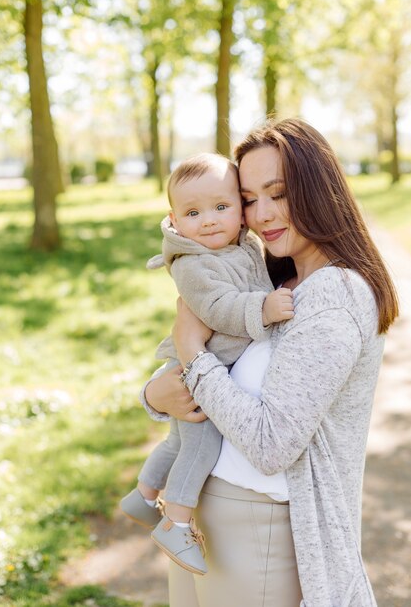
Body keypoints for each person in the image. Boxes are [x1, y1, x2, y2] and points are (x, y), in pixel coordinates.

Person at [139, 118, 399, 607]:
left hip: (258, 530)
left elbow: (272, 443)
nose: (262, 214)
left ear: (319, 192)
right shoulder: (271, 283)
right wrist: (154, 395)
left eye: (277, 194)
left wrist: (193, 354)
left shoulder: (334, 296)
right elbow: (221, 372)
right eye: (249, 199)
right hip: (203, 516)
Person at [121, 152, 294, 575]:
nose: (210, 220)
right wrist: (264, 308)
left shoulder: (245, 245)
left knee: (178, 444)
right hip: (197, 372)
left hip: (203, 365)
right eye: (193, 212)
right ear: (174, 220)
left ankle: (143, 495)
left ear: (240, 209)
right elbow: (217, 308)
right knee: (201, 446)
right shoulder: (193, 263)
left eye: (221, 207)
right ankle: (176, 522)